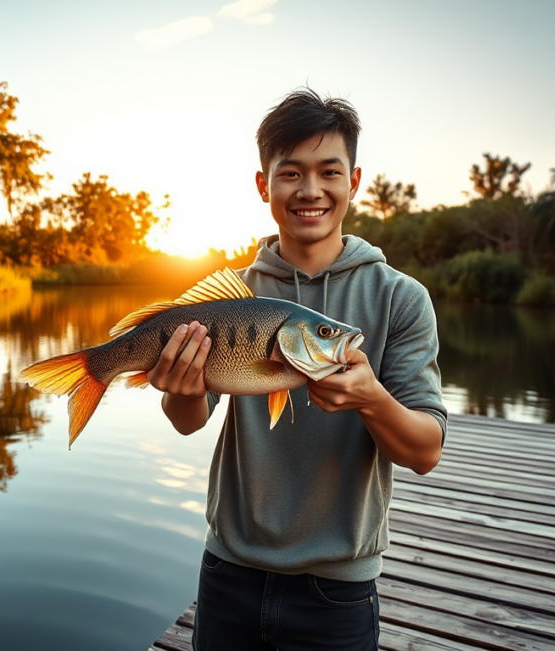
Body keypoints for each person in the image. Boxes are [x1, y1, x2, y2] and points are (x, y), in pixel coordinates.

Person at [146, 89, 447, 651]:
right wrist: (180, 387)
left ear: (354, 181)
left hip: (338, 592)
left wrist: (371, 400)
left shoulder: (401, 299)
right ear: (264, 185)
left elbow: (425, 452)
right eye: (291, 173)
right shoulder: (233, 296)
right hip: (228, 572)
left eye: (329, 171)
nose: (310, 190)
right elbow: (188, 421)